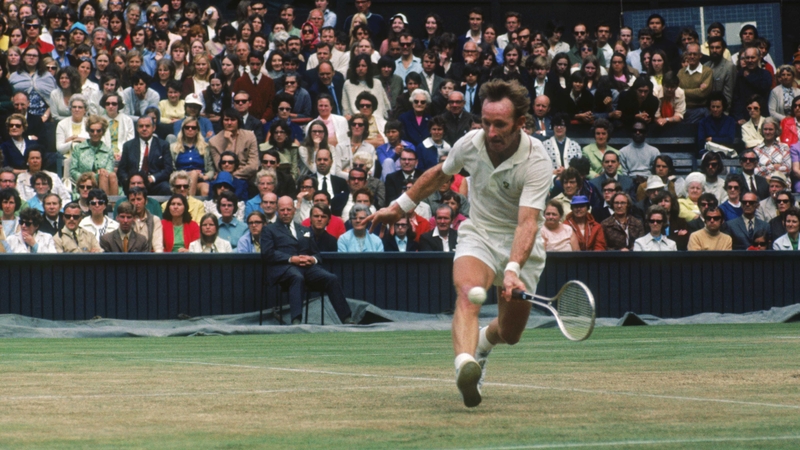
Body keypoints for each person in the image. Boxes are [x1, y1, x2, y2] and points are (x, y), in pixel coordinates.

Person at [367, 79, 552, 407]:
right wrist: (397, 207)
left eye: (500, 125)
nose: (491, 132)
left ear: (521, 124)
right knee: (468, 295)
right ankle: (465, 365)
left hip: (520, 245)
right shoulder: (471, 142)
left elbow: (527, 223)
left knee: (510, 334)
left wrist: (512, 269)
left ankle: (481, 346)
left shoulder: (537, 160)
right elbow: (440, 173)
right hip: (479, 233)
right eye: (485, 122)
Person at [262, 196, 354, 325]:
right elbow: (267, 253)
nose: (286, 212)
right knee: (297, 277)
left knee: (331, 278)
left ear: (294, 210)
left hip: (307, 268)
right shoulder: (268, 230)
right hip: (284, 268)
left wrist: (313, 259)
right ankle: (296, 320)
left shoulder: (304, 230)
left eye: (289, 209)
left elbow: (316, 253)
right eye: (282, 210)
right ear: (277, 210)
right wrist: (291, 259)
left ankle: (346, 318)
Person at [70, 115, 117, 195]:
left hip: (103, 182)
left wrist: (101, 173)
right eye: (92, 131)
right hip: (84, 185)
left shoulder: (108, 151)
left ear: (103, 132)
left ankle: (108, 204)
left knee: (108, 175)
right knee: (102, 176)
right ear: (88, 131)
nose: (95, 133)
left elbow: (109, 171)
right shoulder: (78, 148)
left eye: (98, 131)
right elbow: (73, 170)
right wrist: (87, 177)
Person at [542, 113, 581, 179]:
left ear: (566, 127)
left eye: (562, 125)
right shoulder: (544, 145)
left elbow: (579, 167)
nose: (559, 128)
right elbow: (541, 165)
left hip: (571, 179)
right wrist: (553, 172)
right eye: (556, 125)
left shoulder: (575, 145)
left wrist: (566, 171)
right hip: (550, 179)